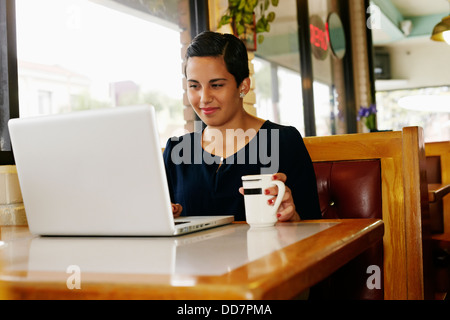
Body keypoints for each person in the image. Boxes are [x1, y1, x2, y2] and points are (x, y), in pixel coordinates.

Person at [163, 31, 320, 222]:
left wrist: (291, 216)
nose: (204, 98)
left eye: (217, 85)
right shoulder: (176, 151)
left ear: (243, 86)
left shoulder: (283, 142)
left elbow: (312, 223)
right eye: (194, 86)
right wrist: (168, 217)